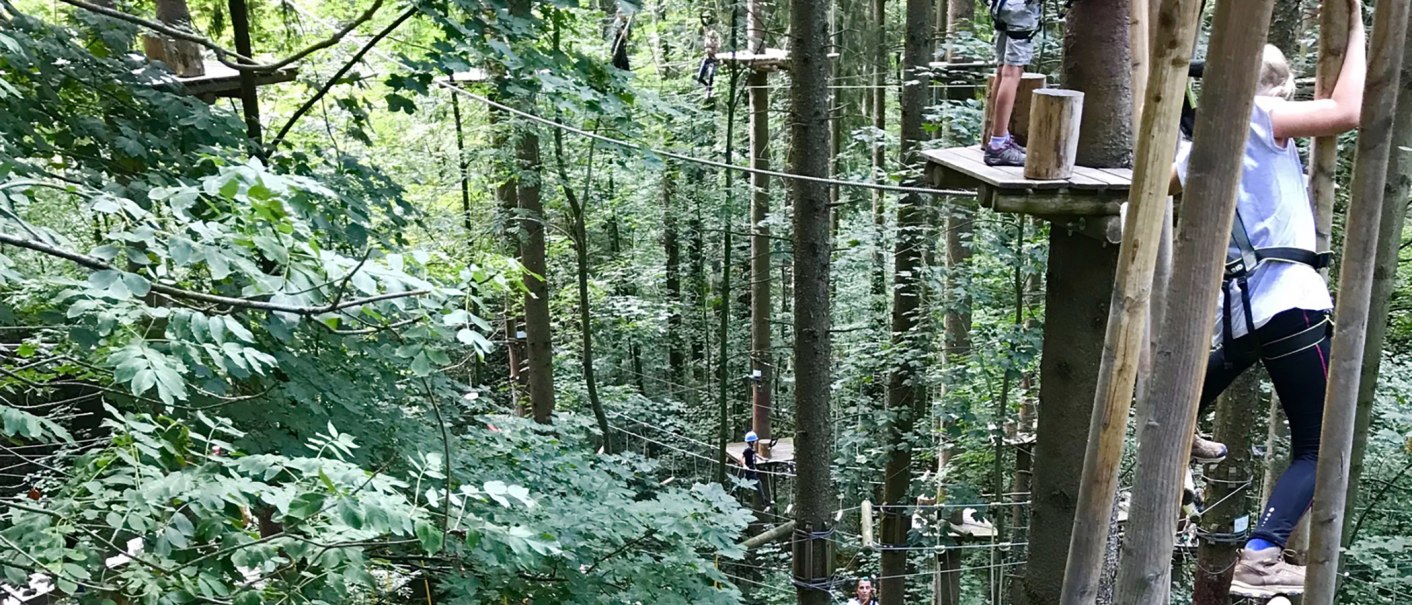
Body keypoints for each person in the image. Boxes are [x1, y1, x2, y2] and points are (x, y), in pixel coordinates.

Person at [1169, 0, 1364, 596]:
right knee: (1321, 444)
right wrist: (1357, 28)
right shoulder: (1260, 117)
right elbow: (1347, 111)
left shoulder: (1193, 145)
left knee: (1182, 403)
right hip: (1290, 302)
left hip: (1243, 309)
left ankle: (1181, 445)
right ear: (1278, 92)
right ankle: (1262, 553)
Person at [984, 0, 1042, 167]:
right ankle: (998, 145)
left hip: (1001, 5)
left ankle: (999, 135)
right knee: (1012, 73)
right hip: (1020, 8)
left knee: (1002, 70)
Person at [742, 431, 770, 506]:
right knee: (758, 484)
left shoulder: (751, 449)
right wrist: (744, 465)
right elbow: (741, 457)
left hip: (752, 470)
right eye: (755, 441)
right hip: (749, 472)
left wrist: (763, 458)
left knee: (758, 484)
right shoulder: (747, 450)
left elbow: (755, 454)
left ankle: (764, 501)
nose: (756, 442)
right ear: (752, 442)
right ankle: (764, 502)